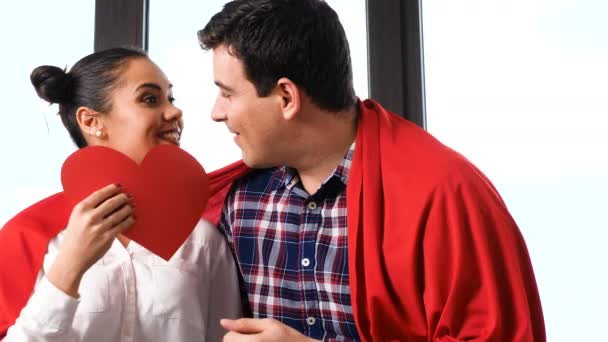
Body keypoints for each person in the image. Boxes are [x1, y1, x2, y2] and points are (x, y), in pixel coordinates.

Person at [197, 0, 546, 341]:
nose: (217, 112)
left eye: (227, 93)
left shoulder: (445, 194)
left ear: (287, 98)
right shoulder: (238, 202)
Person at [0, 47, 241, 341]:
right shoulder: (29, 237)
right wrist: (70, 266)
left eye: (171, 98)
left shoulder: (203, 241)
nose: (175, 111)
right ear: (91, 121)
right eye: (150, 99)